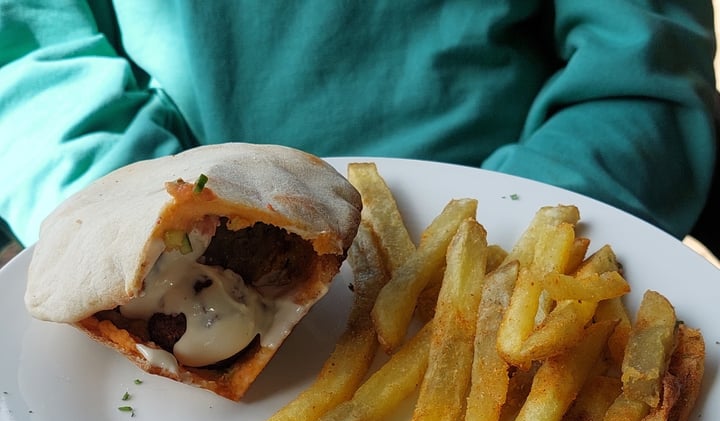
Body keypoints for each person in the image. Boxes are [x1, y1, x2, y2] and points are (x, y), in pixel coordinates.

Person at [0, 1, 716, 249]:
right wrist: (165, 239)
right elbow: (28, 58)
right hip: (166, 227)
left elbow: (642, 74)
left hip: (510, 230)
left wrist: (494, 252)